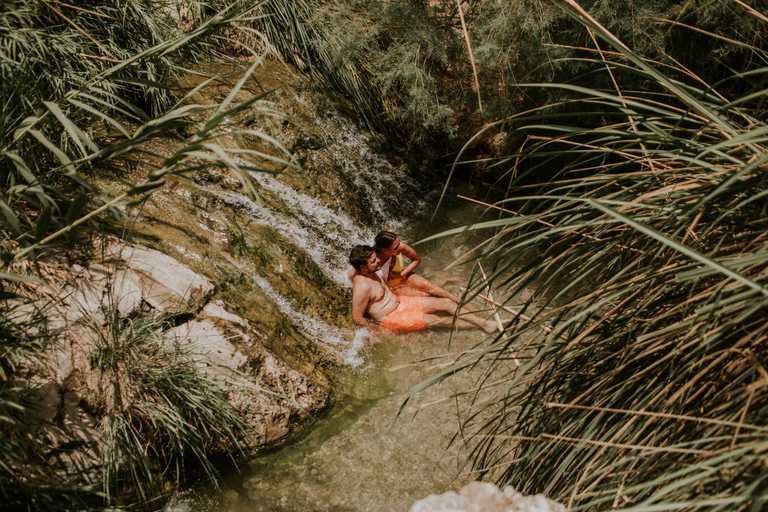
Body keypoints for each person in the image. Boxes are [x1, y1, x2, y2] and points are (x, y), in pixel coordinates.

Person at [348, 245, 500, 333]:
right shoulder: (362, 286)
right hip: (392, 318)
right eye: (374, 260)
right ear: (363, 267)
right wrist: (380, 330)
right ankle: (485, 326)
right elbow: (357, 318)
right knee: (440, 321)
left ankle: (483, 322)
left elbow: (349, 273)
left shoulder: (364, 270)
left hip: (401, 303)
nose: (379, 260)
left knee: (446, 303)